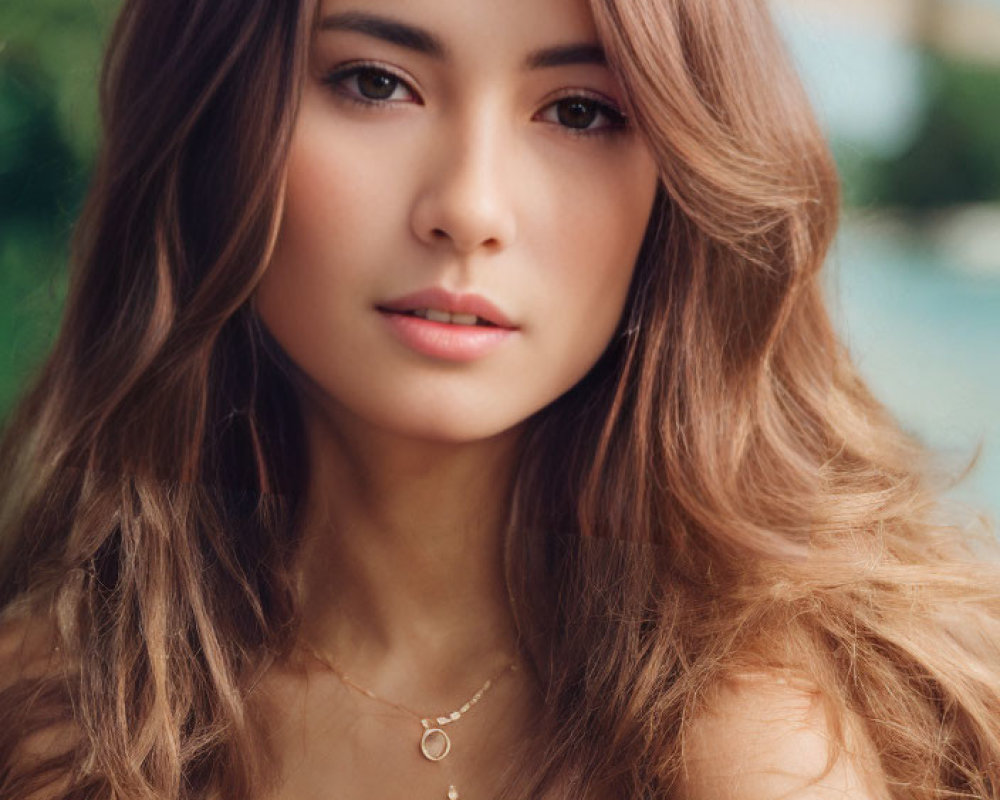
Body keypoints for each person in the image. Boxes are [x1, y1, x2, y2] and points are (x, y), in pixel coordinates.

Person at [1, 0, 998, 798]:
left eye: (577, 109)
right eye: (376, 83)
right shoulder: (56, 706)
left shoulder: (762, 733)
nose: (469, 207)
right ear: (213, 126)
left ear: (681, 181)